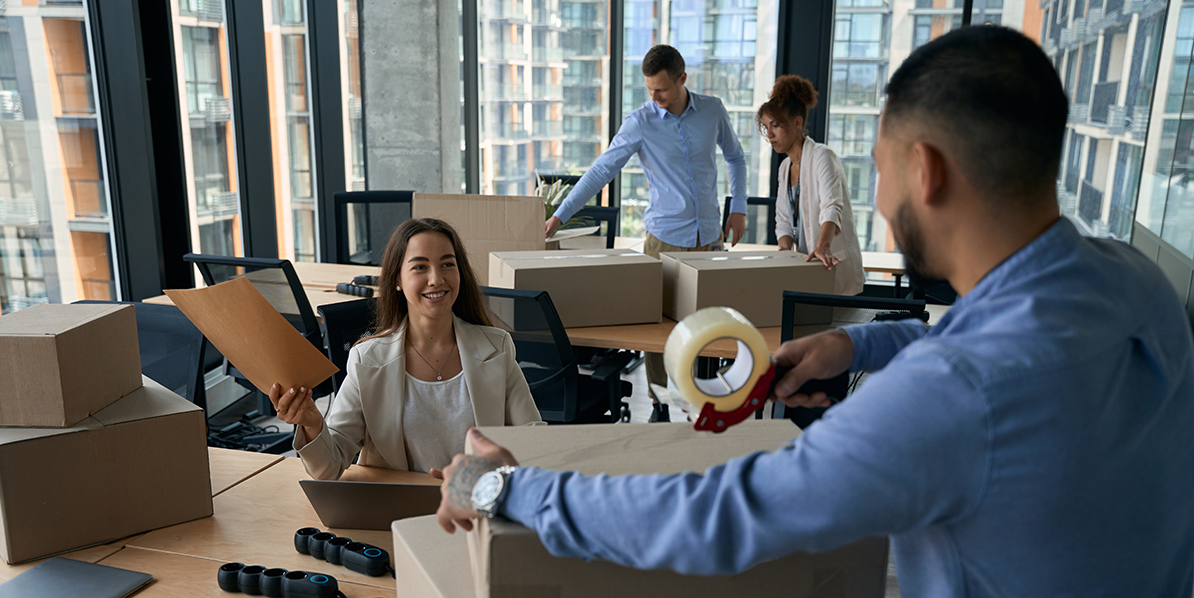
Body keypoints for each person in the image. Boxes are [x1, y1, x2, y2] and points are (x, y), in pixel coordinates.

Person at [435, 26, 1194, 596]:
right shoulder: (1135, 281)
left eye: (883, 170)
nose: (884, 201)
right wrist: (859, 349)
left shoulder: (950, 395)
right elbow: (993, 329)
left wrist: (508, 488)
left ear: (924, 171)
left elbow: (726, 516)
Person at [543, 44, 748, 422]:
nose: (655, 98)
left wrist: (739, 207)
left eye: (662, 90)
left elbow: (735, 156)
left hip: (709, 240)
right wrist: (558, 217)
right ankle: (659, 404)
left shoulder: (713, 111)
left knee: (706, 328)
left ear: (682, 79)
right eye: (649, 90)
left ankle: (701, 402)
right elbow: (601, 171)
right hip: (664, 239)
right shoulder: (640, 122)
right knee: (659, 332)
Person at [269, 218, 543, 480]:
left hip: (475, 505)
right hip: (395, 512)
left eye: (447, 264)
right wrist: (312, 424)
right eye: (420, 267)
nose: (436, 279)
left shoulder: (497, 348)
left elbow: (534, 441)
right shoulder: (367, 360)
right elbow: (328, 467)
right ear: (397, 280)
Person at [758, 75, 865, 295]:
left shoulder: (821, 156)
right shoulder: (785, 167)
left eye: (776, 125)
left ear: (797, 122)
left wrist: (822, 245)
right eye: (766, 126)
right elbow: (783, 220)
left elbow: (832, 208)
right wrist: (784, 253)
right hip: (808, 270)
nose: (769, 134)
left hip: (834, 266)